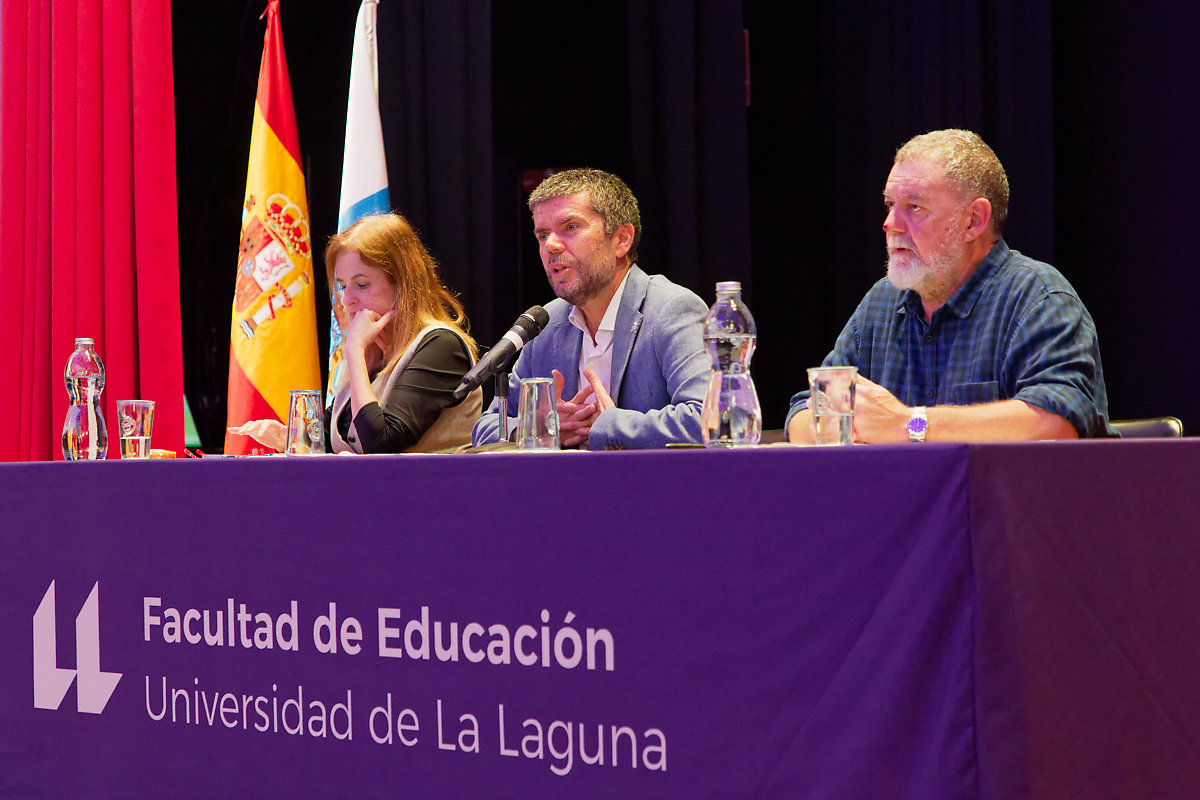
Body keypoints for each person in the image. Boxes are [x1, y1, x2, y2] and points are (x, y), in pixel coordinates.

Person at [786, 129, 1114, 443]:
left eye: (914, 207)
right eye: (890, 205)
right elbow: (805, 412)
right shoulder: (882, 302)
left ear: (974, 220)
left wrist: (907, 424)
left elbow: (1057, 422)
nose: (891, 224)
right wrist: (832, 428)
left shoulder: (1038, 298)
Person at [472, 168, 709, 450]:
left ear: (621, 239)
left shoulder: (671, 310)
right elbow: (487, 427)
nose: (551, 246)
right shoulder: (546, 325)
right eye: (543, 235)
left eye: (570, 227)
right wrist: (537, 428)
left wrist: (611, 426)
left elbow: (707, 419)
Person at [229, 213, 482, 453]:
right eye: (342, 286)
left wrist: (354, 351)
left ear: (402, 285)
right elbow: (337, 440)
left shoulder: (441, 345)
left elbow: (380, 444)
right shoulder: (373, 351)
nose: (347, 299)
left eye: (361, 284)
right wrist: (289, 437)